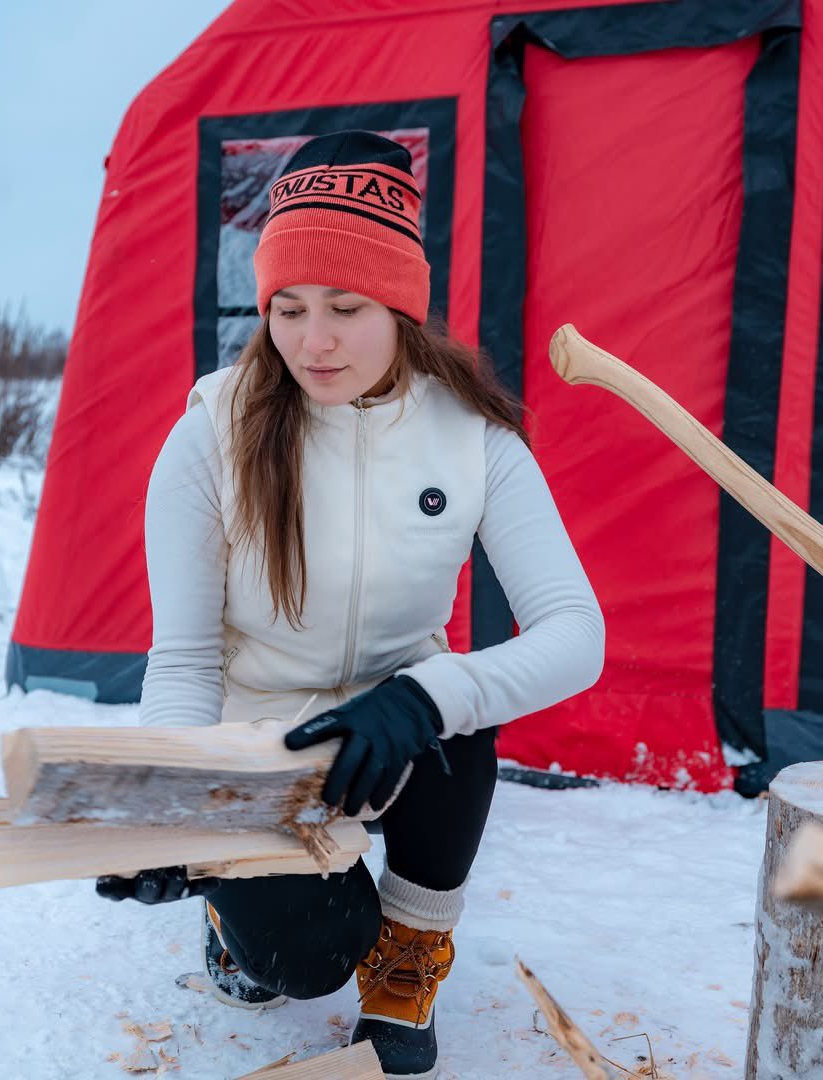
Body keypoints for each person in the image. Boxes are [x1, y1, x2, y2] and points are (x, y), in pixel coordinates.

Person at [96, 130, 605, 1080]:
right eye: (286, 308)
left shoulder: (474, 437)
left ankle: (406, 969)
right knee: (306, 957)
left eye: (345, 306)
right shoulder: (213, 429)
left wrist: (424, 698)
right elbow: (185, 658)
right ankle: (247, 905)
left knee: (461, 713)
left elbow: (577, 634)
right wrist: (173, 808)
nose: (311, 340)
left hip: (394, 734)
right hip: (261, 746)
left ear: (402, 307)